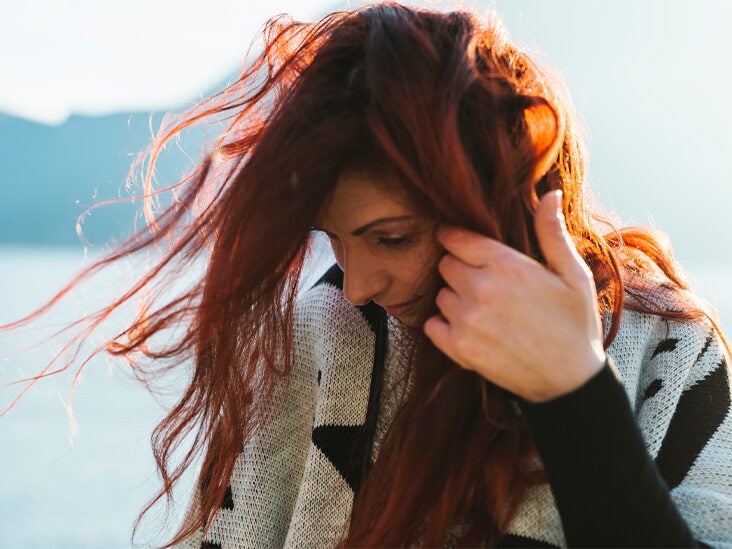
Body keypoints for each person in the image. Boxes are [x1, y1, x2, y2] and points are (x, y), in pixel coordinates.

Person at [7, 2, 731, 547]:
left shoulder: (667, 350)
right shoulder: (317, 337)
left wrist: (574, 397)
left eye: (392, 237)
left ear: (501, 197)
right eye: (334, 240)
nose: (356, 284)